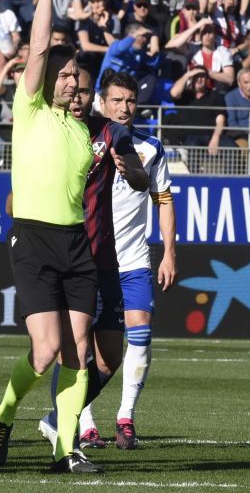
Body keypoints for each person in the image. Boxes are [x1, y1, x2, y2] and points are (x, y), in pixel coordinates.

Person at [0, 0, 104, 474]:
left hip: (76, 244)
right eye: (66, 75)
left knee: (79, 351)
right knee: (46, 350)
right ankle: (4, 416)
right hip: (33, 238)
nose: (73, 82)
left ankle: (65, 450)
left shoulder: (83, 131)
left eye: (77, 77)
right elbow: (37, 49)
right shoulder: (30, 109)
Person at [36, 71, 149, 451]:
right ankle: (64, 428)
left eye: (83, 91)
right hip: (70, 256)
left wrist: (131, 171)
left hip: (106, 257)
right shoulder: (49, 129)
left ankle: (56, 420)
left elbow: (140, 178)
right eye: (72, 90)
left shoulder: (111, 133)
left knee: (109, 358)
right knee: (76, 349)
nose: (77, 97)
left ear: (92, 97)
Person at [89, 71, 176, 448]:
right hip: (91, 259)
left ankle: (125, 417)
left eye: (130, 101)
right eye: (117, 100)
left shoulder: (150, 146)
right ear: (102, 102)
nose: (124, 108)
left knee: (141, 334)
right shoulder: (86, 140)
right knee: (87, 345)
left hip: (134, 259)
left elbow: (164, 199)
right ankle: (83, 422)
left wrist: (169, 252)